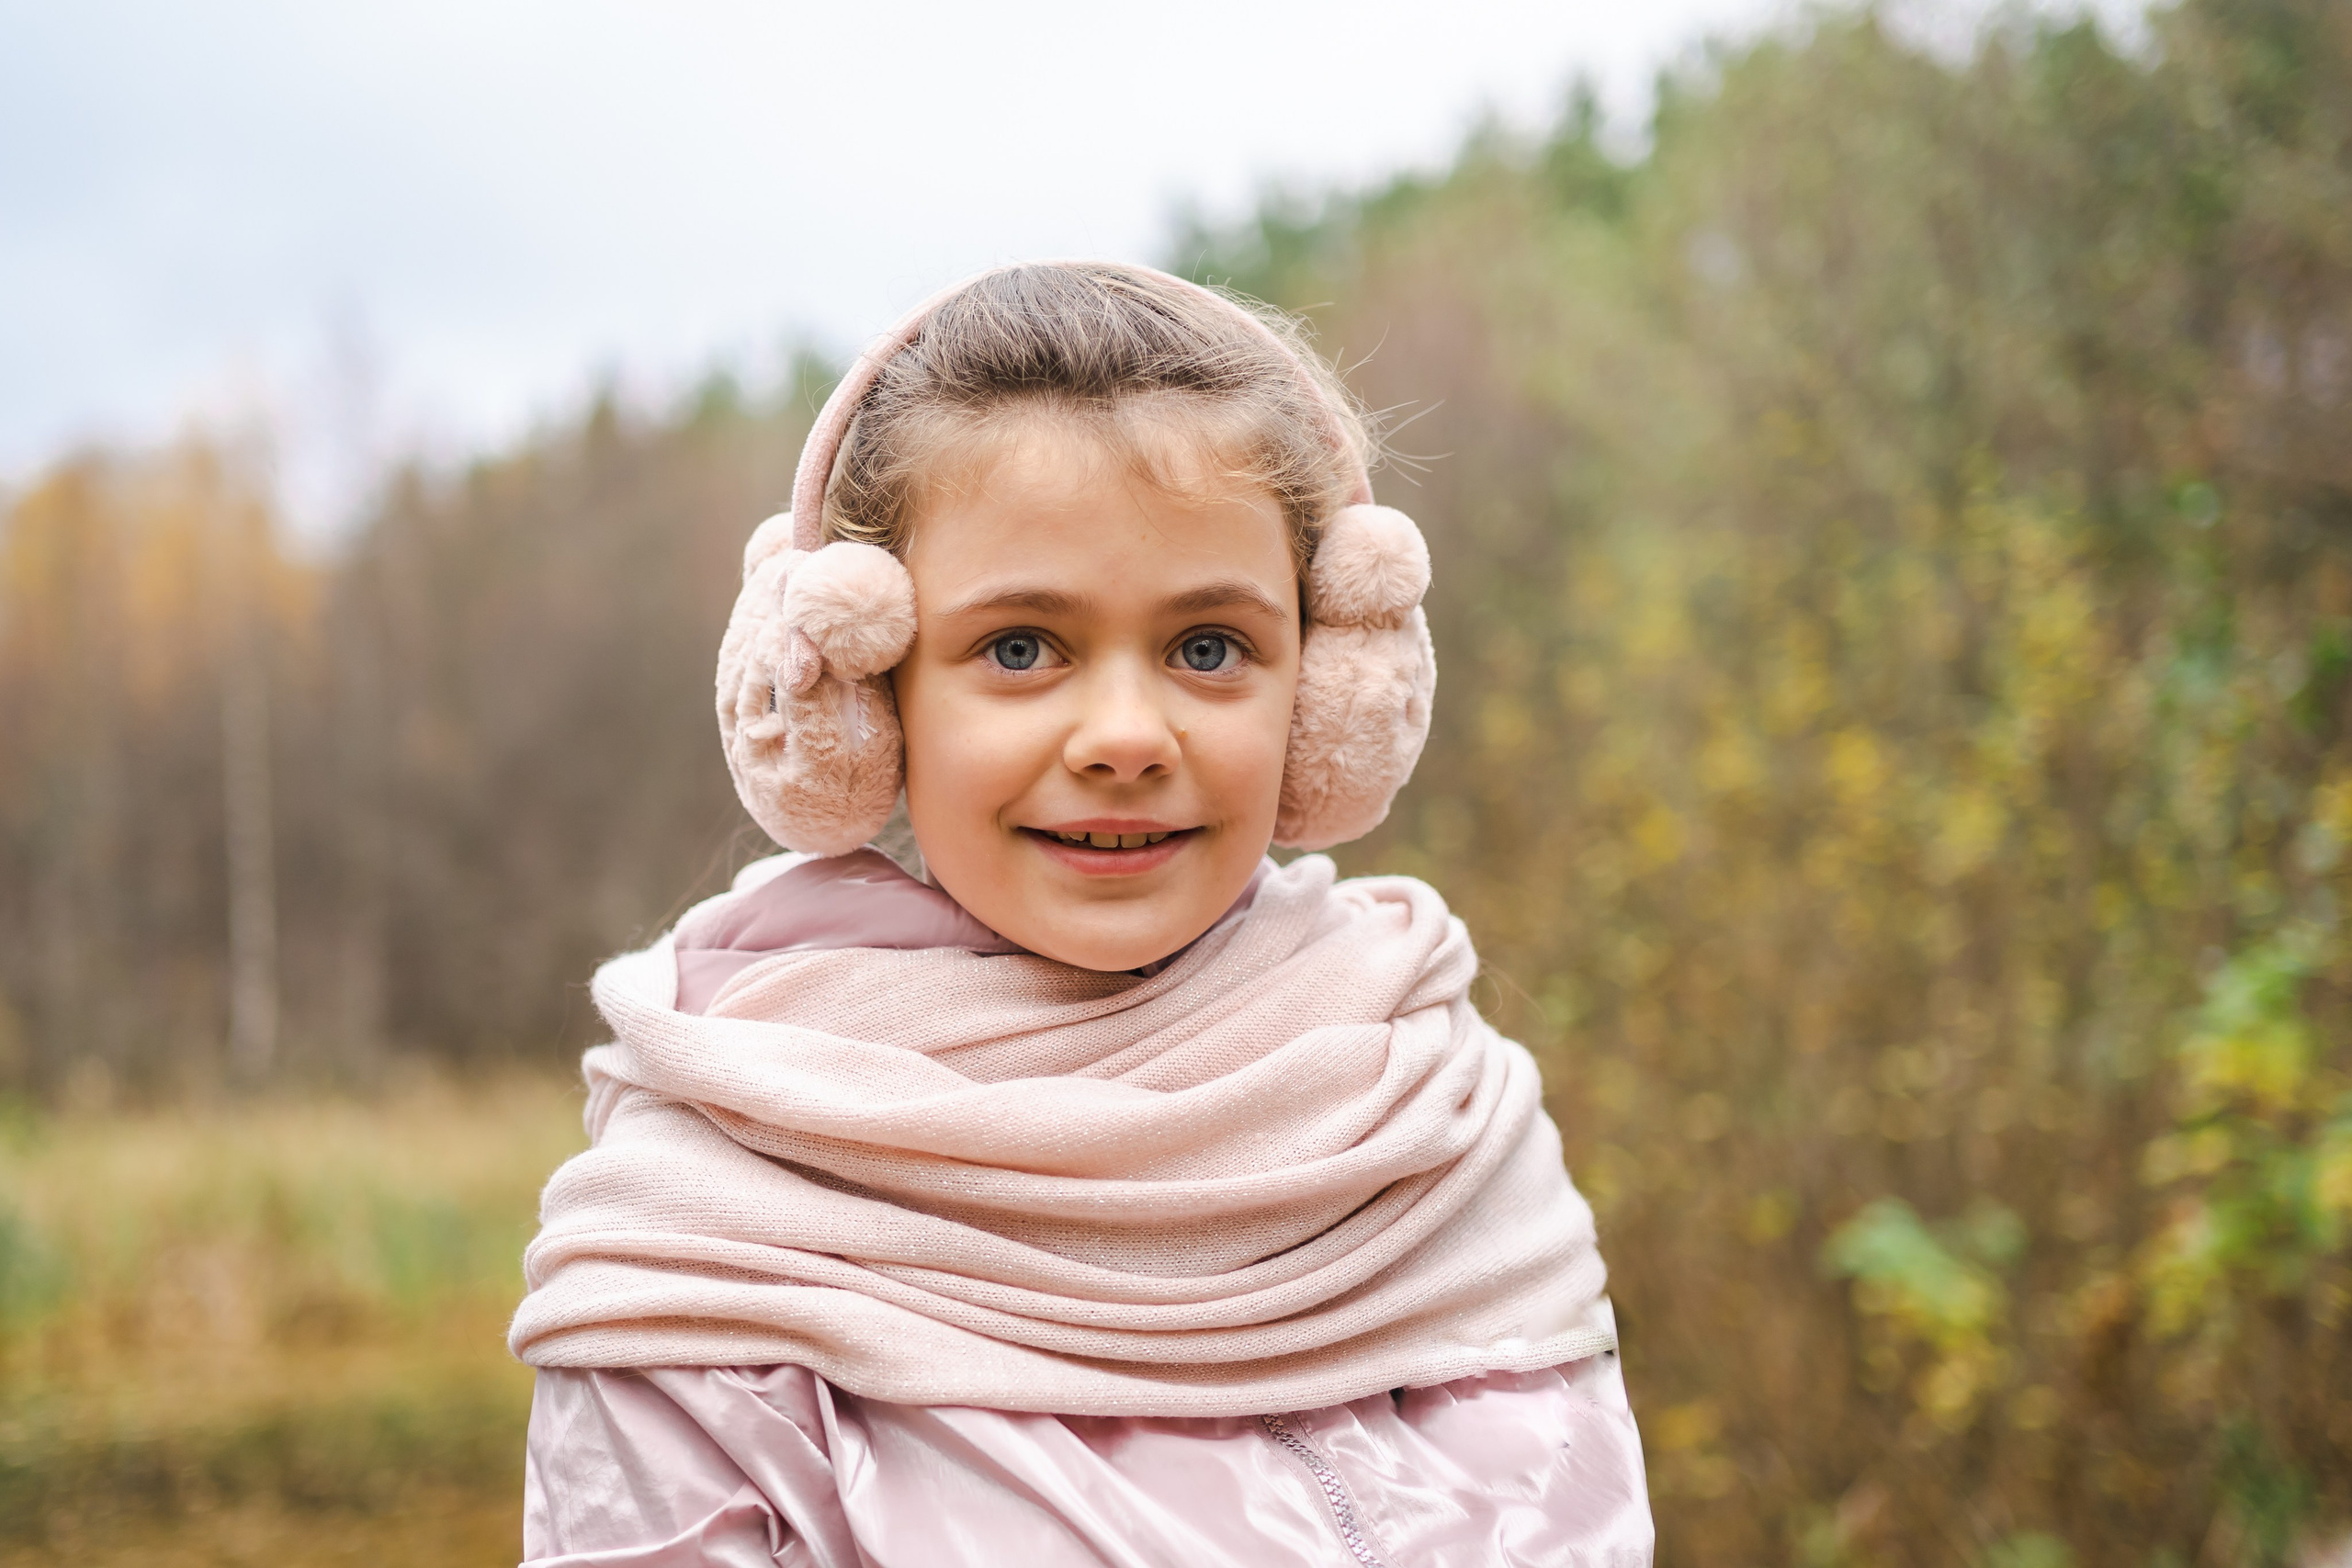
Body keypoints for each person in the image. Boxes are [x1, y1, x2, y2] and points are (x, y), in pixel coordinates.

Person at [509, 261, 1652, 1566]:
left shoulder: (1436, 1123)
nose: (1123, 736)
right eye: (1019, 649)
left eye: (1208, 648)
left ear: (1327, 695)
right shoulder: (714, 1219)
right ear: (864, 705)